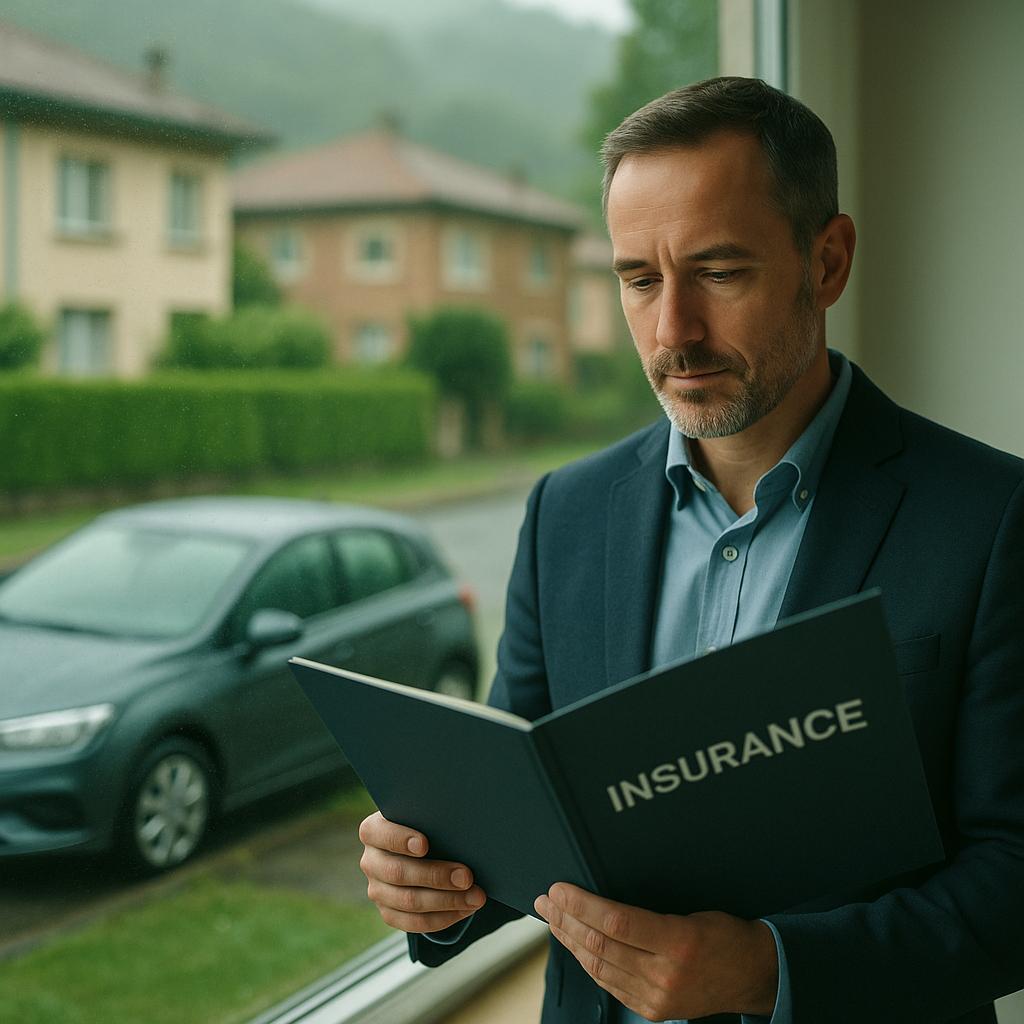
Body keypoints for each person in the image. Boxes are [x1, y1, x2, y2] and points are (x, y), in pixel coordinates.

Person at [358, 77, 1024, 1024]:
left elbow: (1014, 878)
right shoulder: (565, 514)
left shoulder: (993, 518)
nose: (673, 331)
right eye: (639, 279)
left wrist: (772, 971)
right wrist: (437, 886)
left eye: (718, 272)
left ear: (827, 262)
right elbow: (522, 817)